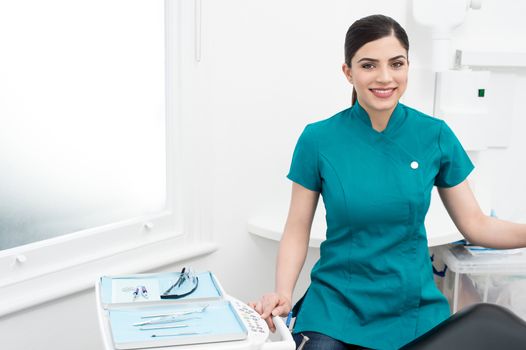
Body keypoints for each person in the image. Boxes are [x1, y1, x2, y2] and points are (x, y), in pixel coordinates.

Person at [249, 14, 526, 350]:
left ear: (408, 66)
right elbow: (296, 228)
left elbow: (477, 225)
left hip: (413, 309)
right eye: (368, 65)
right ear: (348, 72)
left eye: (396, 64)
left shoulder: (434, 135)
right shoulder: (318, 140)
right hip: (336, 309)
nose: (385, 77)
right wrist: (282, 292)